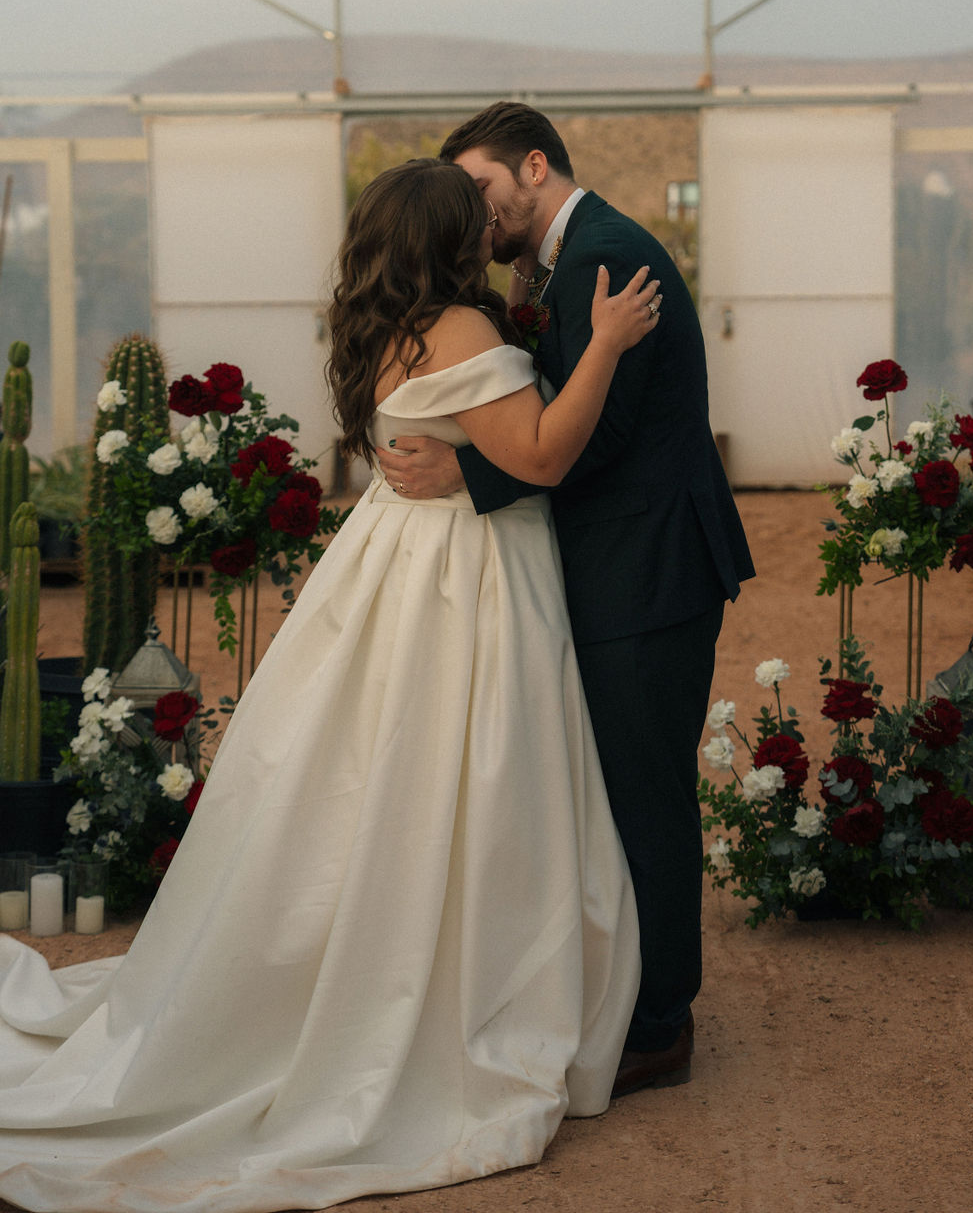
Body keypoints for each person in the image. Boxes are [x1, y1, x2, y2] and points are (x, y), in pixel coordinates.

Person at [0, 159, 660, 1213]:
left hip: (393, 559)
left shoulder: (382, 333)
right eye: (475, 220)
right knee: (469, 770)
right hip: (464, 575)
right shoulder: (464, 334)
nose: (493, 227)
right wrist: (607, 351)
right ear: (448, 240)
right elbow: (536, 456)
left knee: (368, 771)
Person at [376, 105, 755, 1097]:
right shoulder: (564, 257)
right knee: (619, 789)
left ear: (534, 167)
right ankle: (628, 993)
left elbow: (596, 436)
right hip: (623, 563)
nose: (476, 210)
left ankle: (660, 1024)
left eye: (485, 189)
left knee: (647, 795)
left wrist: (471, 477)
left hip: (646, 569)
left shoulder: (604, 255)